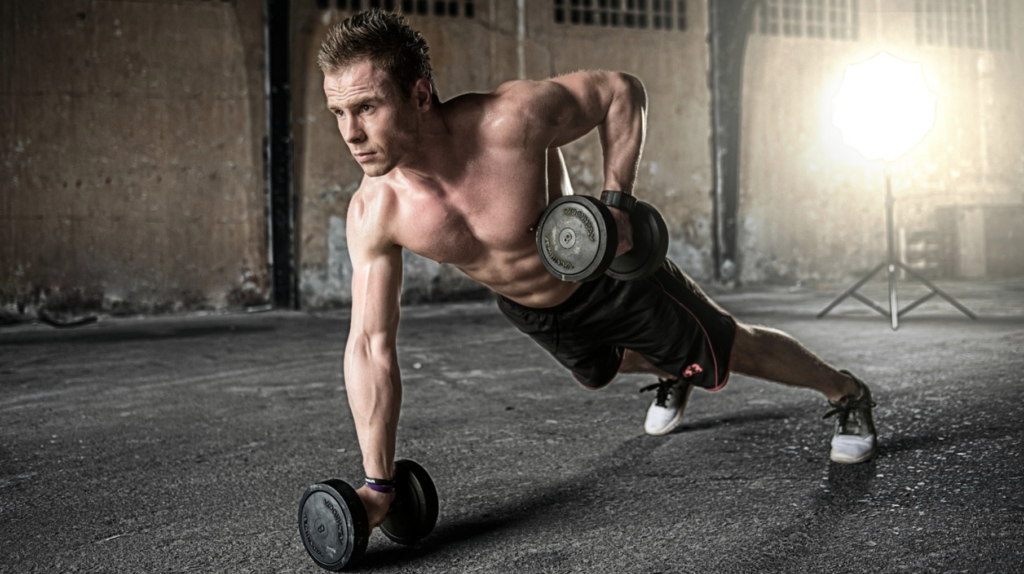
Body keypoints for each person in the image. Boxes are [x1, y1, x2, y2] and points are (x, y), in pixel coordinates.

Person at [318, 9, 877, 531]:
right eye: (339, 112)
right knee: (599, 369)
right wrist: (377, 483)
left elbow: (619, 92)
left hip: (606, 278)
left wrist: (617, 202)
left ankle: (845, 393)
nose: (350, 133)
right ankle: (669, 372)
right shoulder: (375, 212)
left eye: (366, 107)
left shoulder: (509, 121)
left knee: (726, 348)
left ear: (419, 94)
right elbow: (369, 346)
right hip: (531, 310)